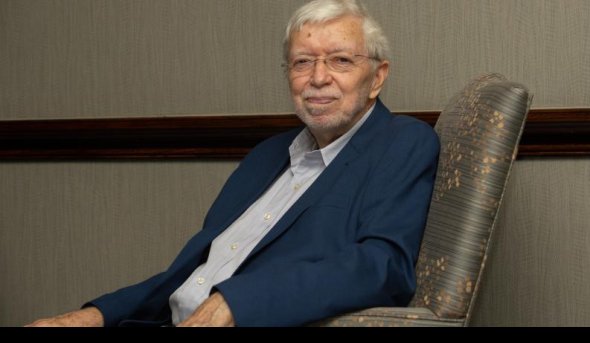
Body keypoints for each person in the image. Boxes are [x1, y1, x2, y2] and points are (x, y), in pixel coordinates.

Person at [28, 0, 439, 327]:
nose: (317, 77)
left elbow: (383, 268)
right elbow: (194, 273)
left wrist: (236, 303)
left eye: (340, 61)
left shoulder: (402, 143)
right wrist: (96, 315)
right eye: (301, 62)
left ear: (378, 77)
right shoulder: (267, 156)